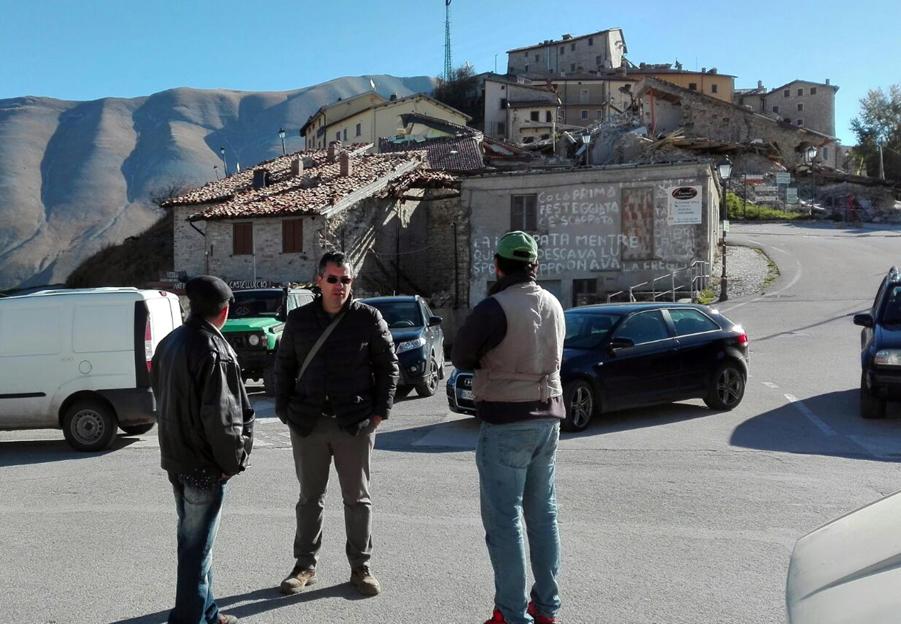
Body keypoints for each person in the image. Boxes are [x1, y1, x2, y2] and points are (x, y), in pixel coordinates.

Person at [453, 231, 566, 624]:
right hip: (548, 417)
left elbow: (461, 355)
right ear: (534, 266)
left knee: (504, 523)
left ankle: (512, 614)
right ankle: (546, 607)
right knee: (543, 516)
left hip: (506, 420)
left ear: (498, 266)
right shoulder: (554, 303)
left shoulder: (494, 307)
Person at [275, 250, 399, 597]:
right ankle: (304, 566)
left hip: (354, 423)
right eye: (333, 279)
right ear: (319, 281)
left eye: (345, 280)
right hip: (308, 423)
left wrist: (379, 413)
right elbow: (283, 366)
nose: (339, 286)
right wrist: (284, 410)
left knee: (357, 499)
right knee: (309, 498)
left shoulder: (368, 318)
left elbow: (388, 367)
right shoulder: (299, 320)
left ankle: (361, 567)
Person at [151, 275, 255, 624]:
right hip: (203, 465)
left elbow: (161, 394)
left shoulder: (169, 343)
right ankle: (189, 619)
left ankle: (208, 613)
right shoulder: (215, 350)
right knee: (196, 548)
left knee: (194, 542)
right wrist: (231, 463)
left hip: (177, 458)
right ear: (224, 311)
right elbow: (222, 418)